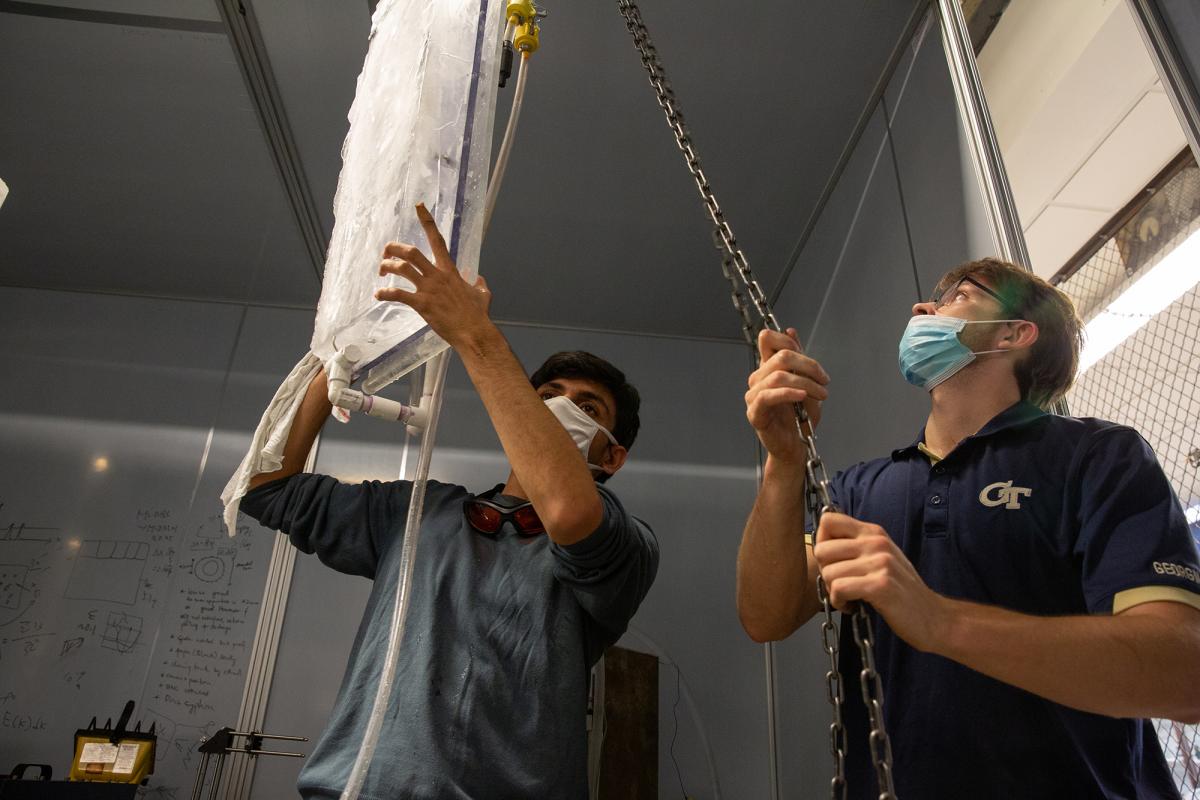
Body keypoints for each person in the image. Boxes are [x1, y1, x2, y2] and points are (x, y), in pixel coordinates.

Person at [737, 257, 1200, 799]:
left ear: (1014, 333)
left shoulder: (1098, 457)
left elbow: (1184, 672)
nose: (922, 309)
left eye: (959, 295)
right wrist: (784, 460)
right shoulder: (863, 489)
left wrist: (938, 620)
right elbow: (766, 615)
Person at [238, 204, 659, 799]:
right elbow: (267, 487)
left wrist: (475, 335)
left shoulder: (624, 545)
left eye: (586, 409)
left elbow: (567, 511)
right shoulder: (419, 514)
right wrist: (335, 353)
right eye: (546, 396)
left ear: (612, 454)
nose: (559, 409)